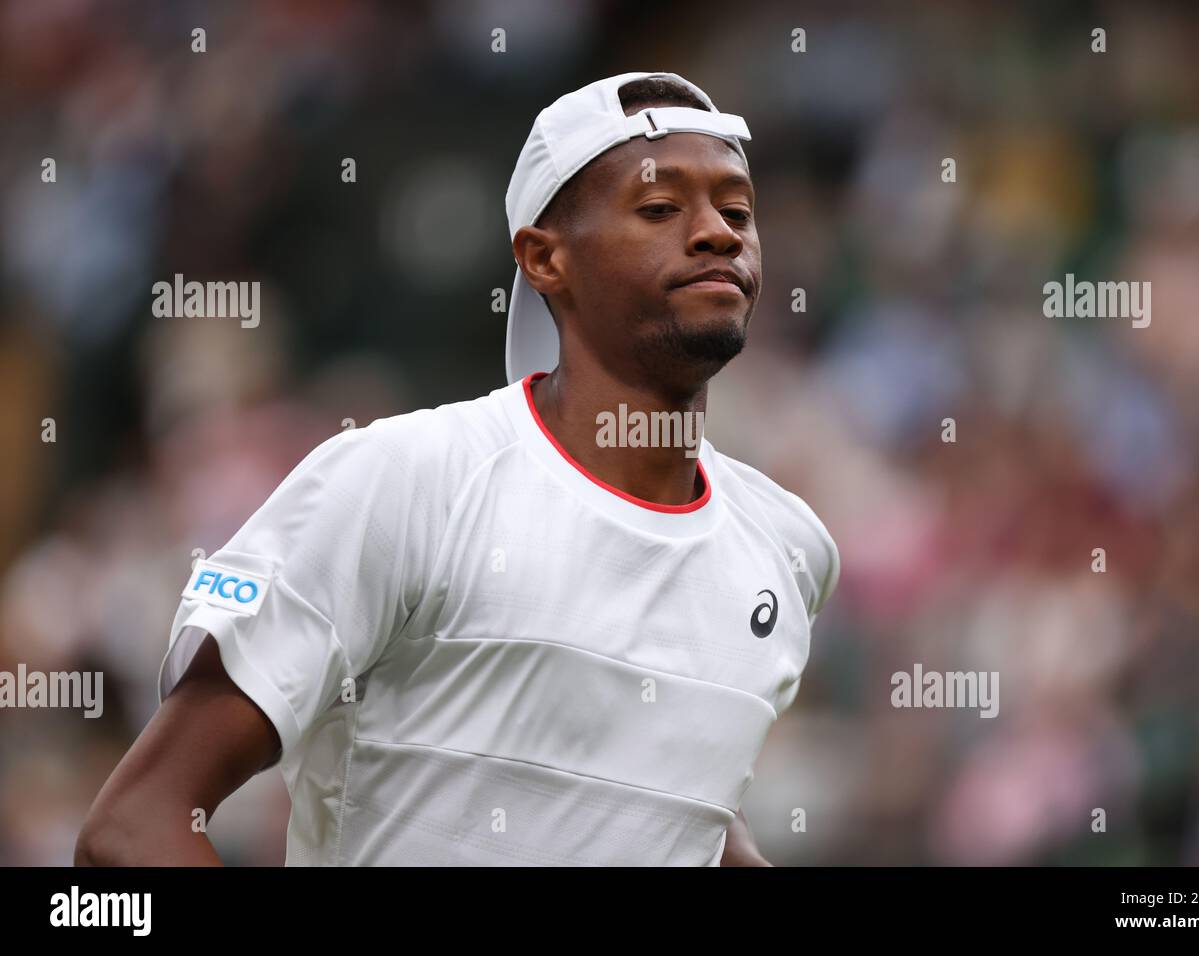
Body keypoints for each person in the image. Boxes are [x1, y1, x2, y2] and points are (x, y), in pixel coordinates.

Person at [75, 71, 839, 866]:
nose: (718, 232)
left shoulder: (788, 549)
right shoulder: (402, 482)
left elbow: (685, 817)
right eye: (659, 208)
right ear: (546, 260)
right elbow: (133, 829)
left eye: (738, 210)